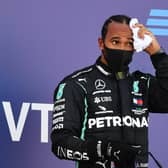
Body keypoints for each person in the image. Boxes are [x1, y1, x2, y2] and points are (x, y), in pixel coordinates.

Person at [51, 15, 168, 168]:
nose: (122, 48)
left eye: (129, 43)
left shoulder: (142, 84)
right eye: (115, 41)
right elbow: (60, 144)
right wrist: (105, 149)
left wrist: (158, 54)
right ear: (101, 43)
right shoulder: (77, 84)